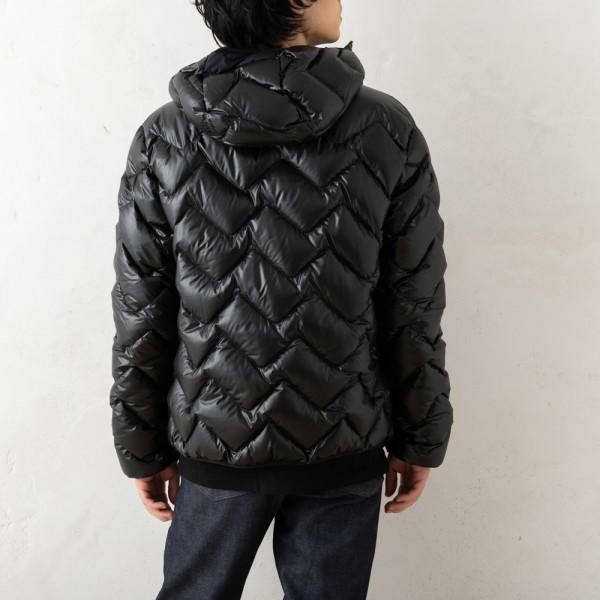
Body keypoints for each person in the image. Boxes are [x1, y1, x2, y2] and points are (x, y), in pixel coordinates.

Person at [108, 0, 453, 598]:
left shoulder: (165, 136)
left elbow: (142, 311)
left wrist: (140, 447)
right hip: (343, 438)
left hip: (215, 444)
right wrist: (421, 435)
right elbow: (413, 306)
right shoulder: (386, 128)